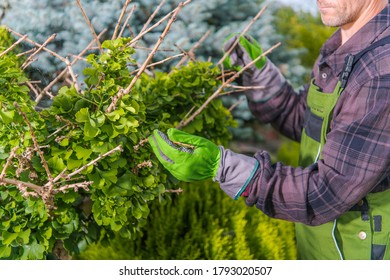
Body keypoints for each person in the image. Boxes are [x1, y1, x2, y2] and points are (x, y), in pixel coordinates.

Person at [148, 0, 390, 260]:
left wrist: (224, 168)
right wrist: (261, 79)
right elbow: (312, 125)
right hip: (323, 246)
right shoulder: (343, 45)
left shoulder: (380, 72)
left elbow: (326, 192)